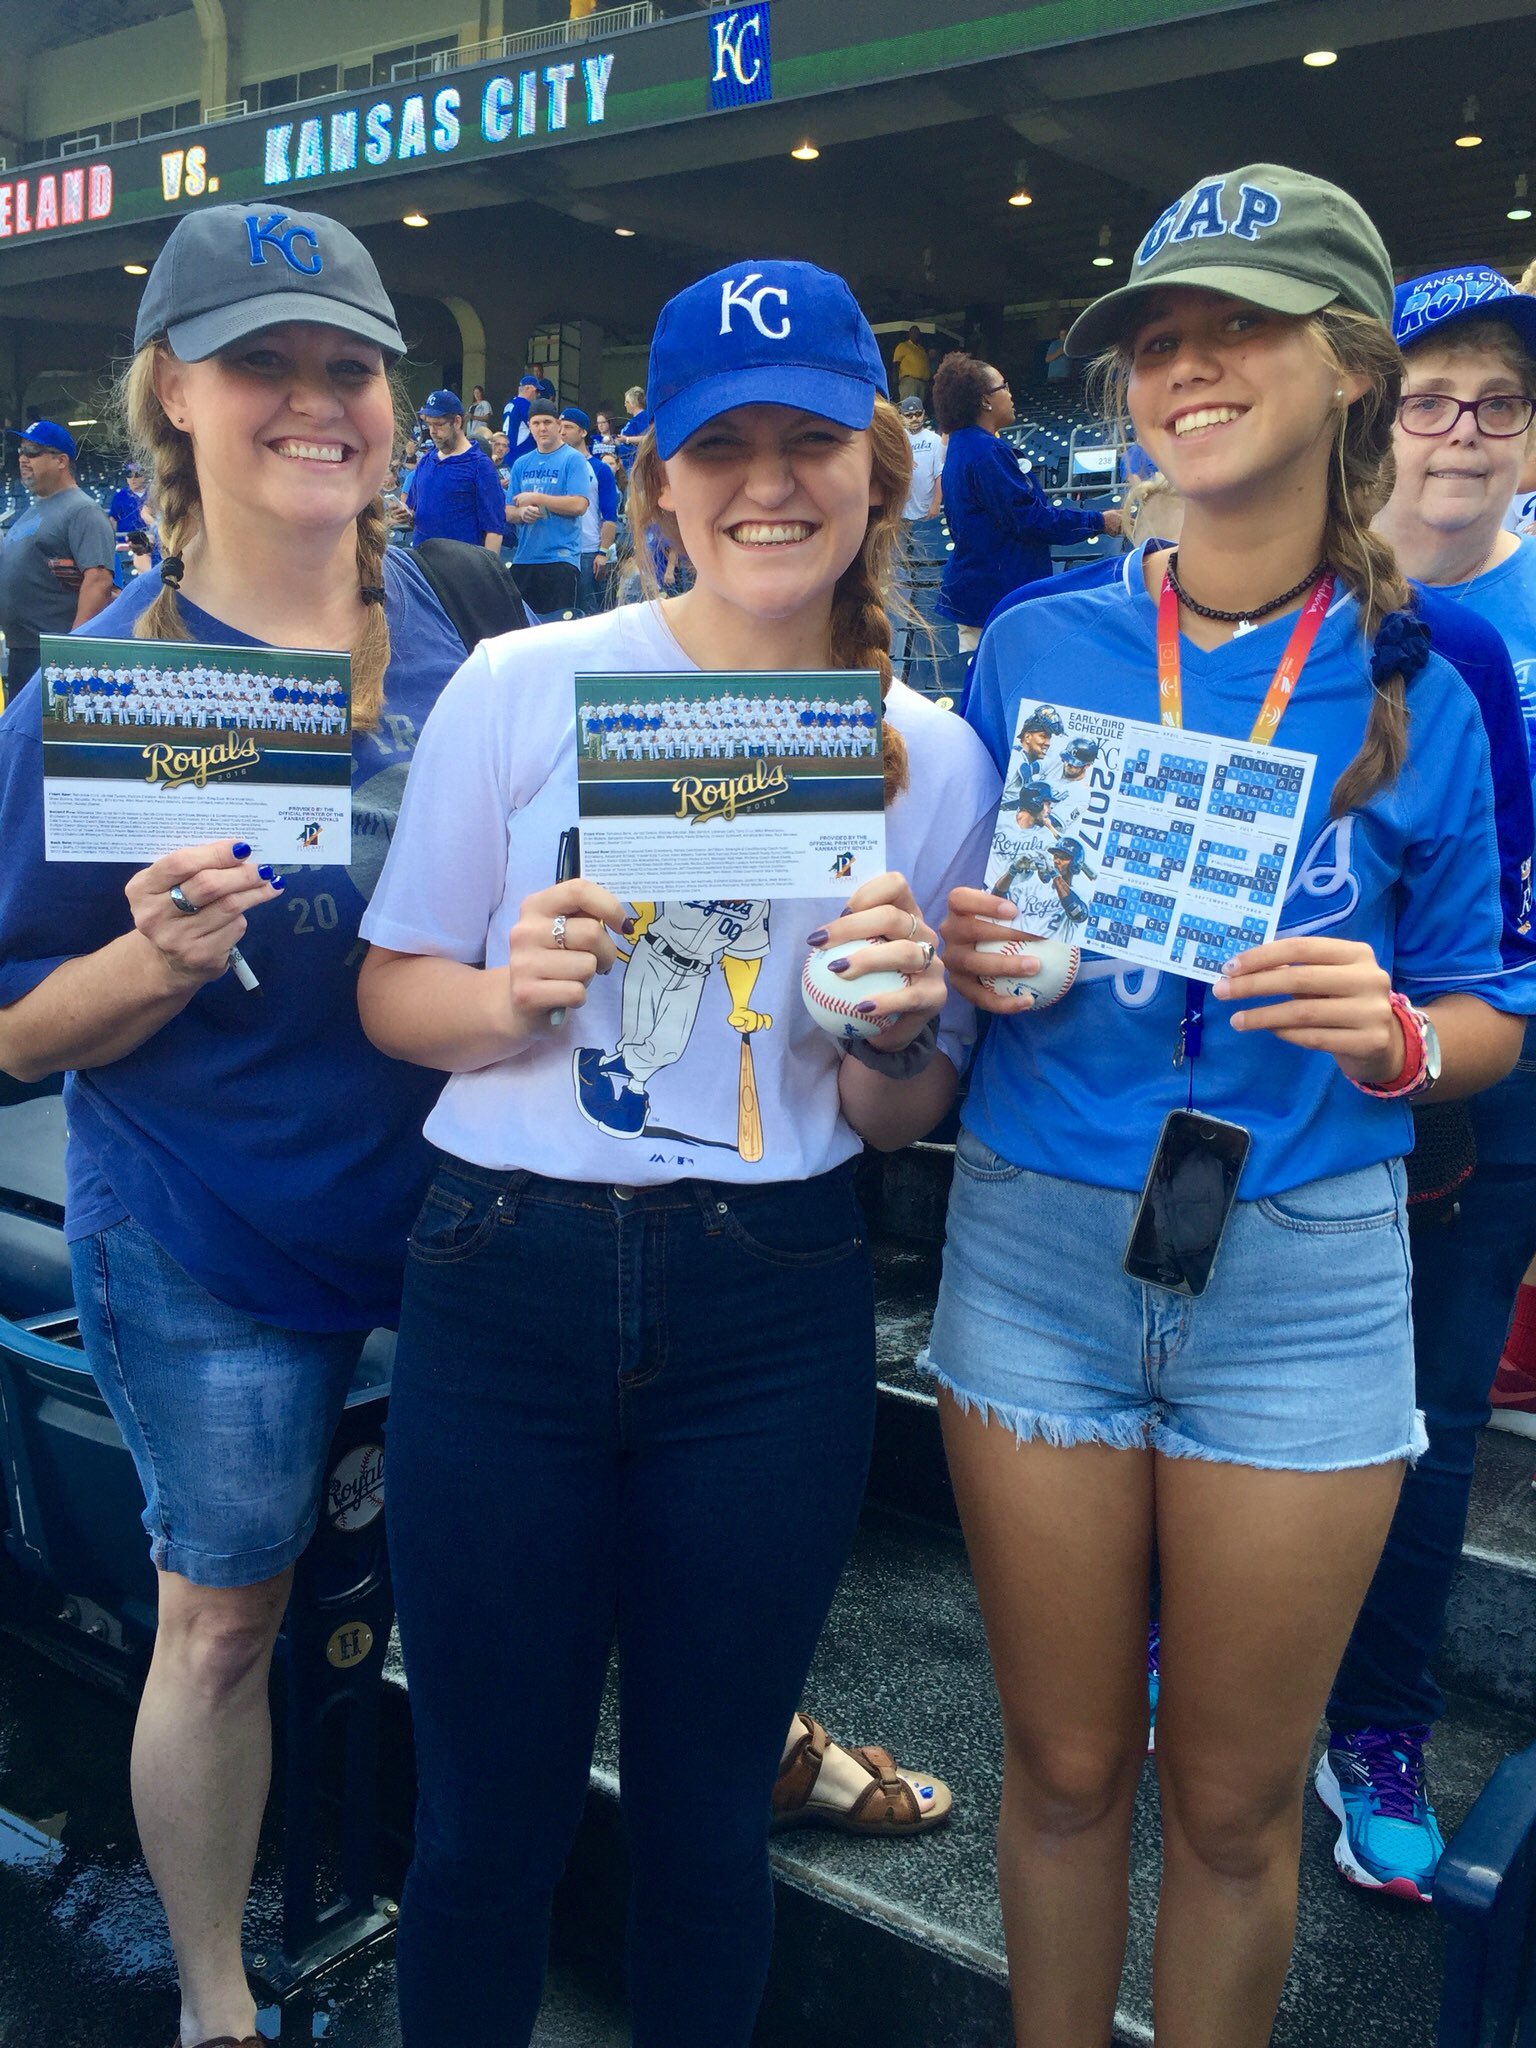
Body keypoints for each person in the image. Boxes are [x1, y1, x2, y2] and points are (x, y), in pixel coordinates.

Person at [355, 255, 999, 2048]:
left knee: (714, 1821)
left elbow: (901, 1110)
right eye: (723, 446)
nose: (769, 482)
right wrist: (509, 996)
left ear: (877, 467)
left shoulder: (928, 755)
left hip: (772, 1296)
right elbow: (393, 994)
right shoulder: (521, 678)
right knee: (489, 1820)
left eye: (812, 440)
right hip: (505, 1274)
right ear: (656, 483)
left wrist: (887, 1030)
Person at [930, 165, 1529, 2048]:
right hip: (1034, 1234)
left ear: (1351, 365)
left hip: (1309, 1267)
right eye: (1159, 337)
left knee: (1232, 1798)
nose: (1187, 368)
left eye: (1239, 326)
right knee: (1061, 1764)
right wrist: (968, 955)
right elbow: (960, 959)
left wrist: (1401, 1038)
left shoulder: (1455, 664)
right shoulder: (1035, 642)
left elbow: (1497, 997)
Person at [0, 204, 468, 2048]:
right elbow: (16, 1029)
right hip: (208, 1226)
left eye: (344, 363)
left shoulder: (480, 632)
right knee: (219, 1614)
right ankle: (216, 2002)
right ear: (169, 396)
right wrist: (148, 962)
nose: (310, 400)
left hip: (470, 1214)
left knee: (534, 1574)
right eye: (260, 361)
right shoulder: (90, 697)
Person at [1312, 263, 1536, 1899]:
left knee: (1434, 1416)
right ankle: (1222, 1631)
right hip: (1279, 1080)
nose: (1460, 429)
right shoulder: (1282, 598)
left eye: (1500, 399)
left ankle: (1374, 1720)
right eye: (1426, 393)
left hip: (1493, 1072)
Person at [932, 354, 1120, 651]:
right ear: (985, 400)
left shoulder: (964, 445)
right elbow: (1030, 520)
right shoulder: (985, 452)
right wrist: (1099, 521)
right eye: (1003, 386)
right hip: (999, 599)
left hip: (987, 595)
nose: (1010, 392)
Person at [0, 419, 116, 703]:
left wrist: (70, 649)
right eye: (21, 452)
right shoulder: (30, 513)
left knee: (44, 743)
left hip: (51, 653)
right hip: (22, 650)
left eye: (33, 452)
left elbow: (99, 579)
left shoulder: (82, 510)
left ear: (61, 460)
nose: (23, 459)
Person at [504, 398, 590, 617]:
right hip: (524, 558)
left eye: (547, 422)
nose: (542, 428)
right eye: (536, 423)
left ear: (558, 425)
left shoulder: (573, 460)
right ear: (530, 426)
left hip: (559, 559)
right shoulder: (521, 464)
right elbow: (507, 511)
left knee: (558, 630)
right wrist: (521, 513)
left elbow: (579, 504)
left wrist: (537, 498)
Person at [402, 389, 505, 552]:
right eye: (429, 424)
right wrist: (406, 515)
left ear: (457, 421)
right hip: (422, 565)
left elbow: (494, 530)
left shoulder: (480, 465)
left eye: (439, 424)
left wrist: (486, 575)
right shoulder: (426, 461)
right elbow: (416, 514)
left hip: (461, 568)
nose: (433, 431)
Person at [559, 405, 620, 614]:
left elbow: (609, 516)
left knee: (589, 612)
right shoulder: (555, 465)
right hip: (558, 549)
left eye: (568, 427)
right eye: (560, 427)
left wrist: (602, 552)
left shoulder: (600, 469)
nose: (562, 432)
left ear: (583, 432)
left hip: (587, 550)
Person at [109, 459, 152, 538]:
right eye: (129, 475)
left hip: (149, 540)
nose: (133, 478)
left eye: (137, 475)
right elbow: (113, 519)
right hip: (126, 541)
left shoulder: (153, 495)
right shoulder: (119, 496)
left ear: (144, 477)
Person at [892, 324, 932, 403]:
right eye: (913, 332)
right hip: (909, 381)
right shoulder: (903, 346)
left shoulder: (922, 349)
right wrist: (895, 380)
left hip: (922, 383)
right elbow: (896, 363)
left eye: (917, 333)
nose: (916, 335)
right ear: (909, 334)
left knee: (918, 409)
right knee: (908, 406)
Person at [616, 381, 651, 469]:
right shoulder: (633, 420)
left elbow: (647, 438)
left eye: (627, 402)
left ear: (633, 403)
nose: (625, 405)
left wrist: (626, 439)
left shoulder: (643, 417)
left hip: (635, 463)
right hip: (626, 462)